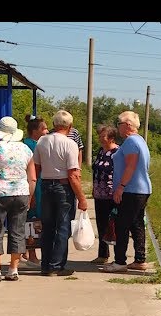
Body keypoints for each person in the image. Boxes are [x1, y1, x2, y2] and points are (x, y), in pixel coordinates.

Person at [0, 116, 36, 283]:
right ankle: (13, 269)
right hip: (21, 193)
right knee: (17, 231)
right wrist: (29, 198)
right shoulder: (26, 150)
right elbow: (32, 178)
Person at [32, 109, 88, 276]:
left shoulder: (42, 141)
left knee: (48, 227)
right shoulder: (69, 144)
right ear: (69, 126)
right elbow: (73, 174)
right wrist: (82, 198)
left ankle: (45, 265)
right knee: (63, 227)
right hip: (63, 188)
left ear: (55, 124)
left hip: (46, 186)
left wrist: (33, 193)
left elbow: (36, 169)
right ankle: (57, 266)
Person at [103, 111, 152, 273]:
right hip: (141, 189)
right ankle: (140, 259)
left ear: (128, 125)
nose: (118, 127)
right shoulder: (140, 140)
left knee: (122, 224)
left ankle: (120, 261)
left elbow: (131, 166)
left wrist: (121, 187)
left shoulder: (130, 142)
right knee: (136, 223)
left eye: (120, 124)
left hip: (131, 190)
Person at [22, 114, 49, 265]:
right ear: (35, 131)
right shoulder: (30, 145)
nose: (46, 131)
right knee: (32, 220)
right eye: (43, 128)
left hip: (38, 185)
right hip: (33, 186)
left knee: (33, 219)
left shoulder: (36, 143)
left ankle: (26, 252)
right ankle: (31, 253)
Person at [91, 124, 119, 264]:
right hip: (99, 194)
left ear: (111, 138)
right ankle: (103, 254)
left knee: (113, 225)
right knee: (101, 224)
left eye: (103, 137)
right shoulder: (101, 152)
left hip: (111, 194)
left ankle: (119, 256)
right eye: (100, 136)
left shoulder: (117, 153)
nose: (100, 139)